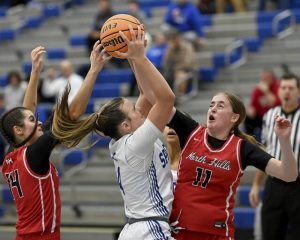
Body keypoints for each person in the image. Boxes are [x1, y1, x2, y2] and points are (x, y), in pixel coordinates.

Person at [52, 26, 175, 239]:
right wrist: (141, 59)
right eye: (134, 110)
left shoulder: (127, 138)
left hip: (138, 229)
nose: (139, 109)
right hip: (149, 230)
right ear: (125, 126)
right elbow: (166, 99)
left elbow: (146, 93)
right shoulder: (137, 143)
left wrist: (132, 57)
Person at [0, 42, 109, 240]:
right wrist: (93, 70)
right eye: (33, 120)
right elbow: (73, 114)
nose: (39, 121)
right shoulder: (35, 153)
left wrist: (34, 73)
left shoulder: (10, 155)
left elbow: (26, 110)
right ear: (18, 130)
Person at [166, 91, 297, 239]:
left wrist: (285, 141)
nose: (213, 108)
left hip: (217, 231)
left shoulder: (242, 148)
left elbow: (289, 175)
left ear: (234, 117)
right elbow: (161, 101)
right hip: (180, 228)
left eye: (220, 106)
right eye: (211, 105)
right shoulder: (192, 131)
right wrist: (138, 66)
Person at [249, 73, 300, 240]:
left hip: (297, 185)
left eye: (291, 88)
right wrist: (256, 185)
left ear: (298, 91)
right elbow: (265, 152)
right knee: (270, 232)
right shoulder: (270, 115)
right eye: (283, 88)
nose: (286, 92)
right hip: (274, 184)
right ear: (278, 91)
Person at [245, 69, 280, 140]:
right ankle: (250, 140)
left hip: (275, 115)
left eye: (267, 77)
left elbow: (275, 102)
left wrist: (266, 91)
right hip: (261, 116)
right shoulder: (258, 89)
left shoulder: (277, 86)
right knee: (247, 118)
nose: (265, 80)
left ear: (272, 78)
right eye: (263, 78)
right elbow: (253, 105)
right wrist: (250, 110)